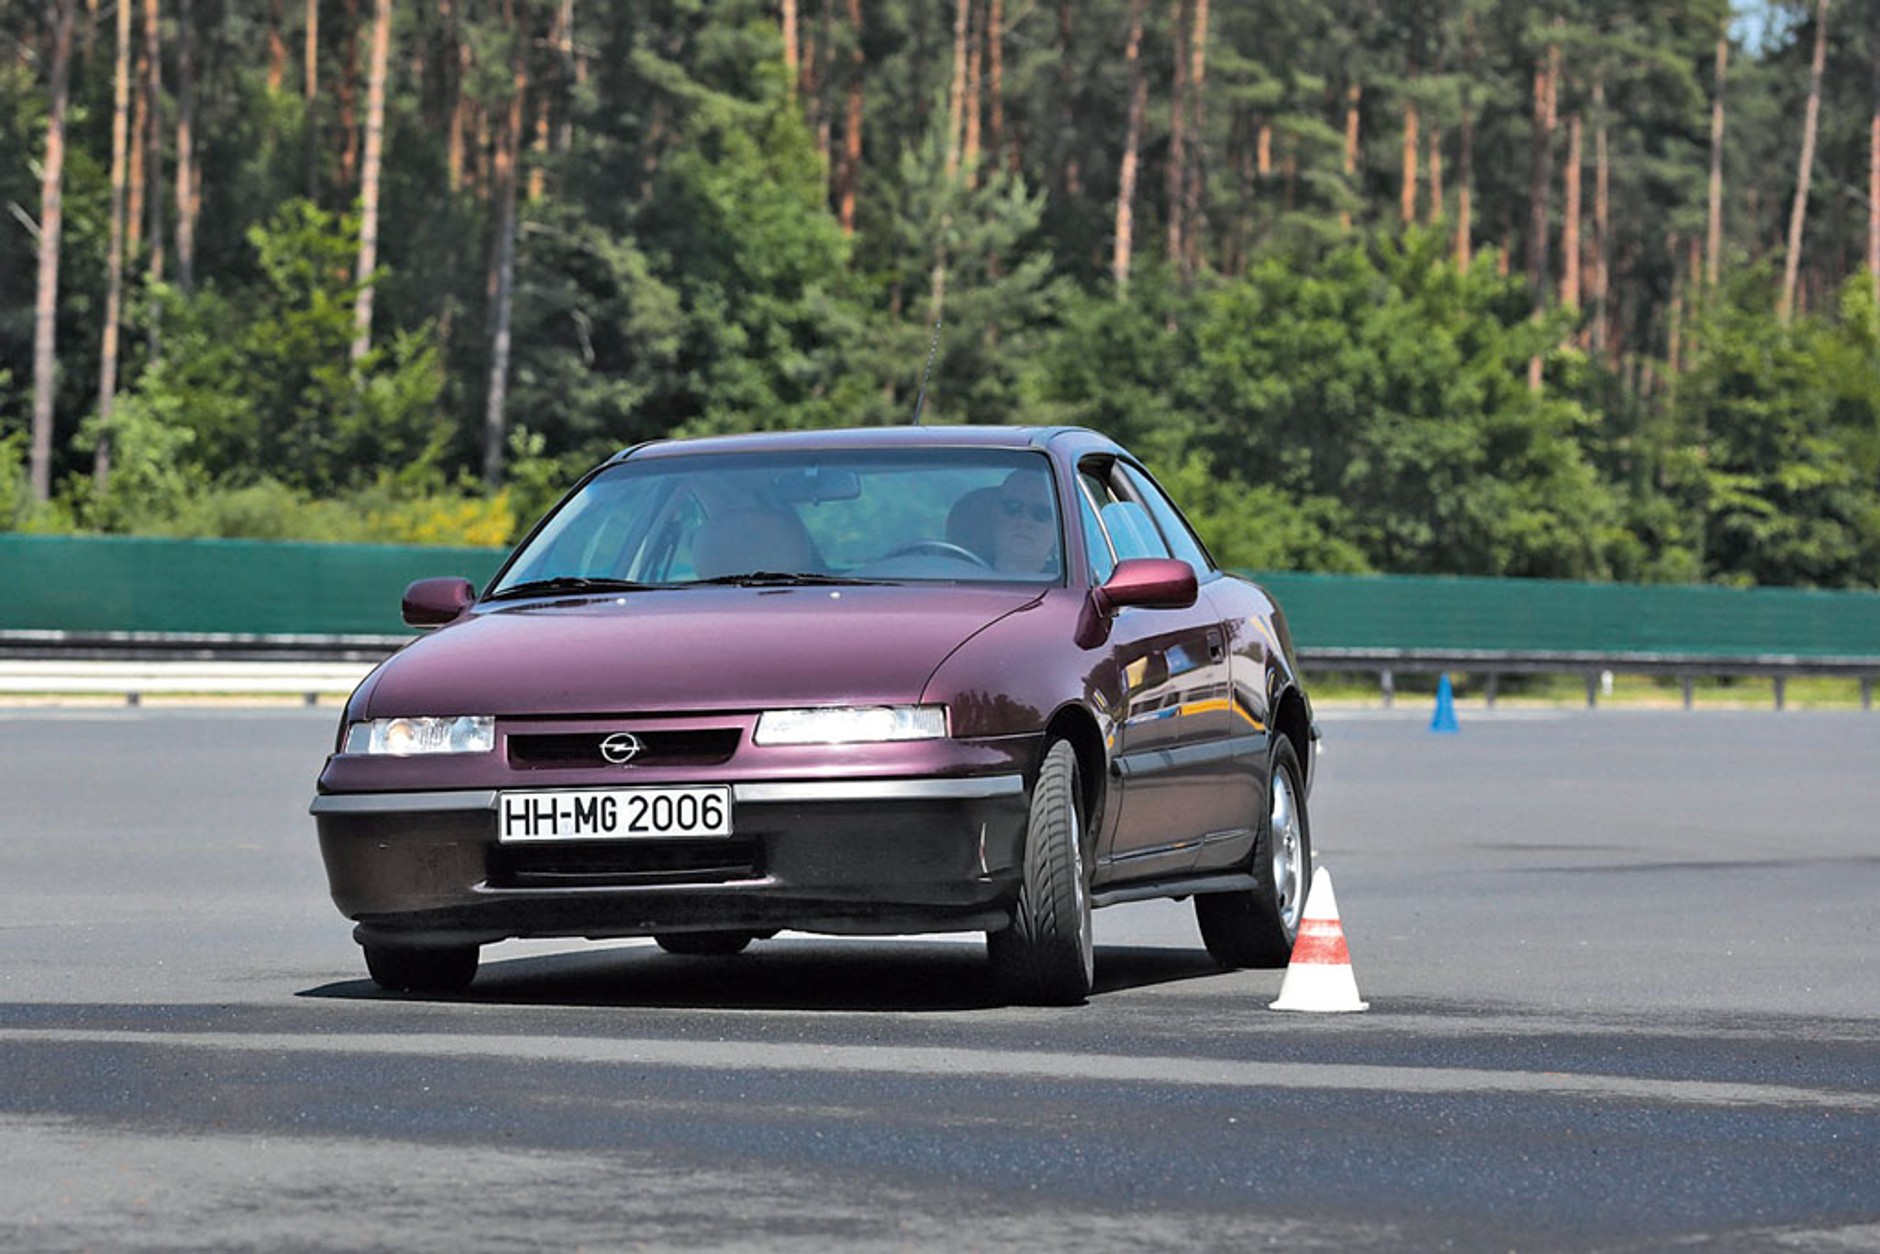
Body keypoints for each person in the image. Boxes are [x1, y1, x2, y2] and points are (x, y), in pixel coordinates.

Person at [991, 469, 1059, 575]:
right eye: (1013, 508)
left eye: (1042, 513)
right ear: (994, 516)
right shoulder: (957, 571)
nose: (1024, 521)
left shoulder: (1077, 584)